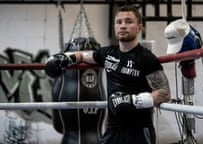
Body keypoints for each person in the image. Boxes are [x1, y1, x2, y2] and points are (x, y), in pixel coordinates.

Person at [45, 5, 170, 144]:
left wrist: (134, 101)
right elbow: (84, 55)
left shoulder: (146, 58)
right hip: (113, 130)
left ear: (139, 28)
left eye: (129, 22)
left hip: (139, 131)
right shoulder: (107, 53)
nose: (123, 26)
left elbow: (164, 93)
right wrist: (67, 58)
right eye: (119, 22)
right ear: (114, 27)